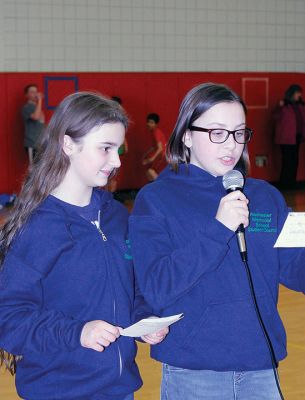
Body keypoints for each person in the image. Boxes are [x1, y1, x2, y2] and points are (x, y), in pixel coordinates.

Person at [129, 83, 305, 399]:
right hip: (194, 373)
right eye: (217, 132)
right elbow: (155, 286)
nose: (231, 145)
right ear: (186, 135)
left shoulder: (267, 197)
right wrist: (218, 229)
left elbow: (296, 267)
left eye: (239, 133)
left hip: (261, 369)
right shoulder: (156, 200)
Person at [0, 92, 168, 400]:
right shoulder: (38, 227)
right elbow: (9, 319)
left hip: (120, 389)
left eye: (117, 149)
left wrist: (143, 321)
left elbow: (131, 289)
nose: (117, 161)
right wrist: (78, 332)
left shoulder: (116, 216)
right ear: (68, 145)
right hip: (58, 391)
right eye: (105, 148)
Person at [273, 84, 305, 190]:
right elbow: (276, 117)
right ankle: (285, 183)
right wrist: (280, 107)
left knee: (295, 160)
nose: (299, 95)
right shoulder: (284, 105)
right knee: (287, 161)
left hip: (296, 137)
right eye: (297, 93)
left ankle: (292, 183)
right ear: (292, 94)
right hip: (286, 138)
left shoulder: (300, 105)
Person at [21, 84, 45, 164]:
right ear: (27, 95)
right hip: (32, 144)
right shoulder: (26, 107)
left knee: (40, 168)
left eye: (36, 91)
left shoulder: (37, 107)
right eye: (32, 92)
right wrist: (40, 100)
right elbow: (36, 117)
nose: (35, 94)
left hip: (40, 144)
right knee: (33, 169)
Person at [142, 113, 167, 181]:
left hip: (162, 156)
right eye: (148, 122)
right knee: (148, 172)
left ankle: (160, 187)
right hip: (160, 156)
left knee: (150, 171)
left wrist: (152, 158)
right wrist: (146, 154)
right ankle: (154, 188)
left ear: (156, 124)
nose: (149, 124)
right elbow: (154, 147)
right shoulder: (153, 132)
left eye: (152, 122)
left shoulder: (156, 132)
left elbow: (160, 148)